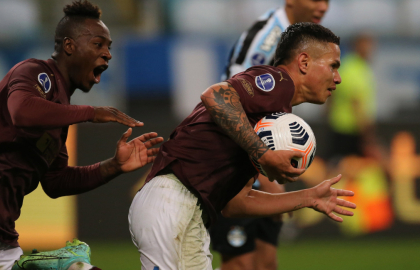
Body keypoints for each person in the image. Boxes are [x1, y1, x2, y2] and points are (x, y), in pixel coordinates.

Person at [0, 1, 163, 270]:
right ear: (69, 46)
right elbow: (22, 111)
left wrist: (113, 166)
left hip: (0, 232)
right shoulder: (34, 71)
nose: (107, 54)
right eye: (98, 44)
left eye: (109, 47)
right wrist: (92, 112)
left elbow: (56, 182)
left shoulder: (59, 110)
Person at [129, 23, 356, 270]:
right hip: (172, 200)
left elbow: (236, 204)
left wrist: (307, 197)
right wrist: (263, 154)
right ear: (303, 62)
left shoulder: (270, 118)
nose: (338, 77)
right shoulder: (278, 82)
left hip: (192, 211)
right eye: (333, 66)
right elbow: (214, 95)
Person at [215, 1, 330, 269]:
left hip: (261, 160)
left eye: (327, 0)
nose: (323, 7)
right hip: (235, 161)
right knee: (240, 264)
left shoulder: (296, 37)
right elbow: (229, 98)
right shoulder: (267, 38)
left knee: (267, 264)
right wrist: (265, 177)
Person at [328, 33, 378, 160]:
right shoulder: (354, 68)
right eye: (366, 44)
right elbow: (356, 103)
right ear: (357, 46)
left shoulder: (348, 65)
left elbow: (331, 96)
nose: (370, 49)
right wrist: (367, 135)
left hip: (340, 127)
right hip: (350, 130)